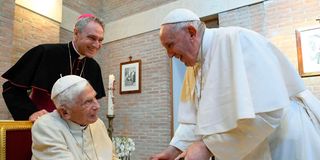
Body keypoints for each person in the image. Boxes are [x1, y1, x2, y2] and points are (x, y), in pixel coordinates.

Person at [151, 8, 320, 160]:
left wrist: (207, 147)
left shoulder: (237, 39)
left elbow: (268, 113)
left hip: (280, 140)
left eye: (170, 45)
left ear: (191, 32)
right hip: (248, 145)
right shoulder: (193, 64)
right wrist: (173, 150)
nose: (169, 55)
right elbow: (192, 121)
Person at [2, 14, 105, 121]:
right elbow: (11, 88)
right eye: (92, 38)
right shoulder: (45, 52)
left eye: (100, 40)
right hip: (43, 126)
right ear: (76, 33)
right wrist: (30, 112)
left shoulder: (94, 67)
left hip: (75, 131)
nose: (96, 45)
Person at [31, 75, 119, 160]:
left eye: (94, 97)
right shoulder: (46, 127)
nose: (97, 106)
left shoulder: (98, 124)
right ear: (65, 112)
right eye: (88, 102)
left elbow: (112, 157)